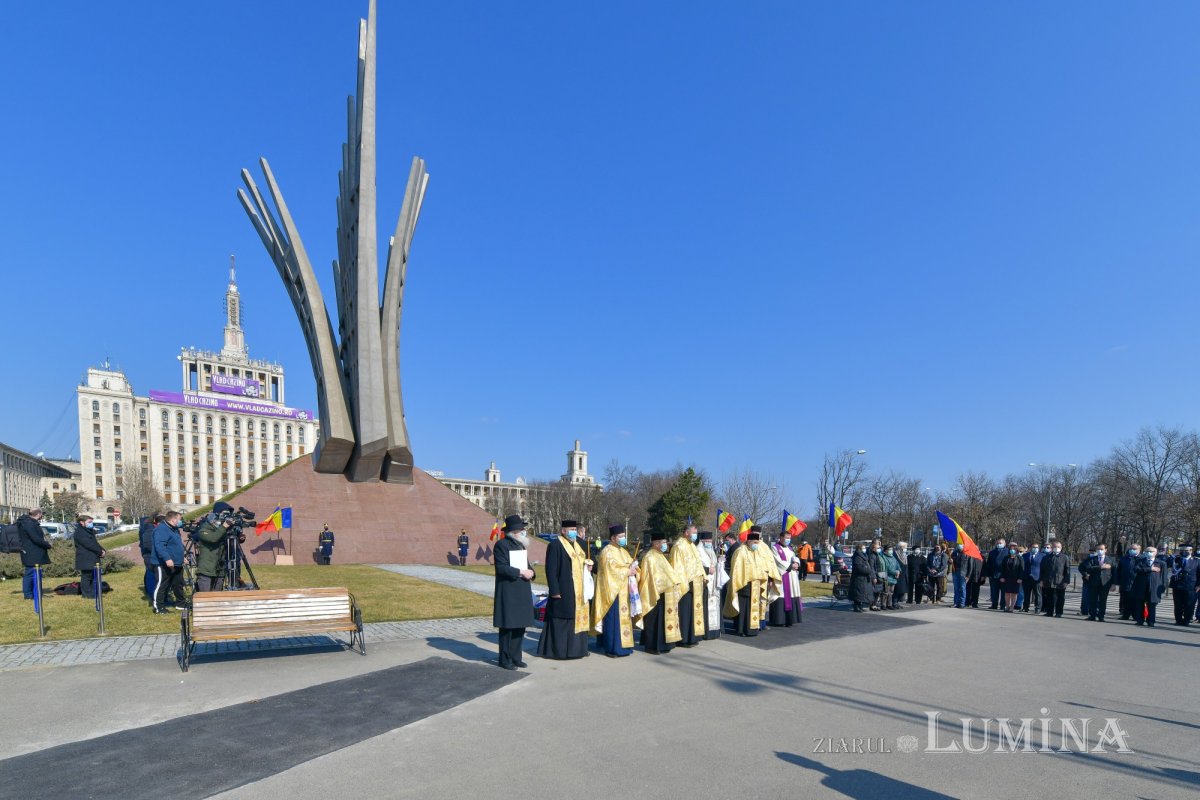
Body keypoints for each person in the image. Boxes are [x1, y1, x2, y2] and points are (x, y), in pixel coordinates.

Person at [538, 519, 592, 660]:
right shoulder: (555, 545)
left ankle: (577, 650)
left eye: (575, 529)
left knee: (575, 619)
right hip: (563, 589)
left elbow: (589, 562)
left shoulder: (579, 545)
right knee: (561, 619)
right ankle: (559, 652)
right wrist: (554, 590)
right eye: (571, 529)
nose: (573, 532)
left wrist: (589, 565)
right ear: (563, 531)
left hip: (579, 591)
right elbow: (551, 570)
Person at [492, 514, 535, 669]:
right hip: (509, 592)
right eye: (522, 529)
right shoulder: (501, 545)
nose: (524, 532)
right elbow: (501, 568)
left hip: (522, 590)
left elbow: (527, 565)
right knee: (508, 627)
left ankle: (516, 656)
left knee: (520, 626)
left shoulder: (520, 545)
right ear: (514, 531)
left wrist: (532, 572)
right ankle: (505, 659)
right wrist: (520, 572)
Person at [591, 524, 637, 657]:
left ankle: (624, 647)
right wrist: (627, 570)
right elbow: (610, 571)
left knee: (623, 619)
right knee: (613, 620)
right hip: (612, 592)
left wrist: (634, 568)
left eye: (624, 536)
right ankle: (612, 648)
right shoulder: (607, 551)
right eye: (621, 536)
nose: (623, 538)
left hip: (624, 591)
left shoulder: (623, 551)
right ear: (613, 537)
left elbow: (629, 564)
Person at [638, 531, 684, 653]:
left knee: (663, 622)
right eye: (664, 543)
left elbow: (669, 573)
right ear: (656, 543)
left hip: (665, 594)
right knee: (654, 622)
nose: (666, 545)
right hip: (654, 594)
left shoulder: (660, 556)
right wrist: (667, 584)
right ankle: (653, 646)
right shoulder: (649, 557)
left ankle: (664, 645)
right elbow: (651, 578)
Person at [669, 524, 707, 647]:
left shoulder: (692, 546)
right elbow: (677, 566)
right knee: (684, 612)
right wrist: (682, 582)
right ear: (686, 532)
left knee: (693, 612)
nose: (695, 535)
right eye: (693, 532)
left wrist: (703, 576)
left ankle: (692, 637)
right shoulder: (678, 546)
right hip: (685, 584)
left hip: (696, 584)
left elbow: (698, 563)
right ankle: (683, 639)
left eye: (696, 533)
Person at [724, 529, 768, 632]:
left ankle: (752, 629)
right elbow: (736, 569)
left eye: (757, 543)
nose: (756, 545)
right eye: (755, 543)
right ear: (749, 541)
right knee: (743, 608)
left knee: (753, 607)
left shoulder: (756, 552)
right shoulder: (740, 551)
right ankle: (742, 629)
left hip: (755, 585)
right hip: (743, 585)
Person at [193, 502, 236, 592]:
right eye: (224, 514)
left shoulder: (223, 529)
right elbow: (213, 538)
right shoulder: (204, 529)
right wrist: (224, 527)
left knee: (218, 598)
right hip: (206, 570)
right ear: (216, 514)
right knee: (205, 598)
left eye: (228, 514)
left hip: (220, 569)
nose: (226, 516)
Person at [152, 511, 187, 613]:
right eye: (180, 519)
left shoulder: (175, 529)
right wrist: (167, 558)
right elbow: (160, 546)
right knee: (162, 584)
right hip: (163, 563)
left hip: (177, 562)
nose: (181, 521)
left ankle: (181, 603)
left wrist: (182, 557)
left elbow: (177, 545)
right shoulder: (161, 529)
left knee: (178, 583)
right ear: (173, 519)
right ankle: (159, 607)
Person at [16, 507, 51, 601]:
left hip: (33, 551)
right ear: (39, 514)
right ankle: (28, 595)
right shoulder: (29, 523)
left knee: (35, 573)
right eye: (41, 514)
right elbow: (35, 538)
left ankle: (37, 593)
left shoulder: (29, 522)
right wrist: (47, 545)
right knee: (30, 573)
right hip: (31, 552)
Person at [769, 532, 802, 626]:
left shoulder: (790, 548)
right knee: (781, 595)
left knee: (792, 594)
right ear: (781, 537)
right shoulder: (775, 548)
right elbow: (777, 561)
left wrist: (796, 563)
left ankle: (790, 619)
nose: (788, 539)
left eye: (789, 537)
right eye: (786, 537)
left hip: (791, 576)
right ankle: (779, 620)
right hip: (782, 575)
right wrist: (791, 565)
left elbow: (794, 557)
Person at [752, 526, 782, 628]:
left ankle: (761, 623)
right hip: (751, 579)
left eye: (757, 533)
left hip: (763, 579)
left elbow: (771, 564)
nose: (756, 535)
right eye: (754, 533)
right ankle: (751, 623)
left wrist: (770, 579)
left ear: (760, 534)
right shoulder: (746, 546)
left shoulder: (765, 547)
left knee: (762, 600)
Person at [1130, 547, 1167, 627]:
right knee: (1140, 604)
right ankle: (1140, 620)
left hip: (1154, 587)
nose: (1149, 553)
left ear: (1156, 552)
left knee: (1152, 605)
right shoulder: (1140, 561)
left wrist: (1163, 588)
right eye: (1147, 551)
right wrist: (1150, 569)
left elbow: (1164, 577)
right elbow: (1137, 569)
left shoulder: (1161, 563)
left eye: (1151, 551)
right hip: (1141, 586)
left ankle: (1151, 621)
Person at [698, 531, 724, 639]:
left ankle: (715, 631)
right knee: (705, 607)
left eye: (710, 541)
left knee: (715, 606)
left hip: (714, 585)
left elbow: (714, 564)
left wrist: (720, 563)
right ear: (702, 541)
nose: (709, 542)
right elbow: (698, 565)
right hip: (705, 584)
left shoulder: (712, 550)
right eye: (707, 541)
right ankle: (706, 632)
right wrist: (708, 569)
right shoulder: (698, 550)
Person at [1080, 543, 1116, 622]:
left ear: (1105, 550)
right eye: (1098, 549)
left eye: (1101, 549)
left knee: (1103, 600)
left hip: (1105, 583)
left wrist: (1114, 584)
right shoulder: (1092, 559)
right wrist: (1100, 567)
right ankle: (1092, 615)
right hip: (1093, 582)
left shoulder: (1111, 560)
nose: (1099, 551)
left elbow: (1114, 572)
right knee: (1093, 599)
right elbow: (1088, 568)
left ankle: (1101, 616)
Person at [73, 514, 105, 599]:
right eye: (89, 522)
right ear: (82, 522)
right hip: (85, 558)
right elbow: (89, 544)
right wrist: (99, 551)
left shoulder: (88, 530)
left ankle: (93, 592)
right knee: (86, 576)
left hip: (92, 557)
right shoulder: (80, 532)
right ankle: (87, 594)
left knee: (92, 576)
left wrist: (102, 550)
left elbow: (95, 543)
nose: (91, 523)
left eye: (91, 522)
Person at [1040, 542, 1070, 618]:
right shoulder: (1046, 557)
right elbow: (1042, 570)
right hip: (1048, 581)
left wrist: (1066, 581)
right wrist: (1041, 580)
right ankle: (1049, 612)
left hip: (1060, 582)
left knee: (1060, 598)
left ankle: (1059, 612)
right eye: (1055, 546)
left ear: (1061, 547)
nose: (1057, 548)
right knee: (1049, 597)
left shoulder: (1064, 557)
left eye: (1058, 547)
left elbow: (1067, 570)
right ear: (1052, 547)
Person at [1170, 544, 1197, 626]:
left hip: (1191, 585)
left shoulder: (1196, 561)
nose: (1184, 552)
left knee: (1189, 604)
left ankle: (1187, 620)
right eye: (1182, 550)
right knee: (1177, 604)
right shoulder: (1176, 559)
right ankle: (1178, 620)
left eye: (1186, 551)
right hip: (1177, 585)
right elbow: (1168, 564)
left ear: (1191, 551)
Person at [849, 542, 877, 612]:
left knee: (862, 593)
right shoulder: (857, 557)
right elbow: (859, 568)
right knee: (858, 593)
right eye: (863, 548)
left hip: (864, 578)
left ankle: (859, 605)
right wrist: (868, 570)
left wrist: (868, 569)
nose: (865, 549)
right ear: (860, 549)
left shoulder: (864, 556)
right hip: (858, 578)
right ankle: (856, 606)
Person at [1116, 543, 1141, 620]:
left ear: (1139, 550)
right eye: (1131, 549)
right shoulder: (1124, 559)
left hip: (1137, 583)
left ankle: (1136, 616)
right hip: (1125, 582)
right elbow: (1118, 571)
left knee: (1136, 601)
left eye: (1134, 549)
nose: (1132, 550)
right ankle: (1125, 615)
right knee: (1125, 600)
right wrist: (1117, 582)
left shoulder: (1142, 559)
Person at [138, 515, 159, 599]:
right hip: (149, 554)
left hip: (146, 552)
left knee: (149, 571)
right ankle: (151, 592)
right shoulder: (149, 528)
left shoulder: (144, 527)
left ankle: (150, 590)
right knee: (151, 572)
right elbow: (149, 544)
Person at [999, 544, 1023, 612]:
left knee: (1014, 593)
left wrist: (1020, 578)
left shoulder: (1019, 558)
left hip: (1016, 579)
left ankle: (1012, 607)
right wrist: (1002, 577)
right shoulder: (1006, 558)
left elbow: (1022, 569)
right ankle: (1007, 607)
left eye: (1014, 549)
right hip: (1007, 578)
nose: (1012, 550)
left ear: (1016, 550)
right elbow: (1002, 568)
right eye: (1011, 549)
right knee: (1007, 593)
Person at [1021, 543, 1043, 613]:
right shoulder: (1025, 555)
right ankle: (1025, 607)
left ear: (1038, 548)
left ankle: (1038, 608)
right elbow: (1022, 566)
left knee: (1037, 594)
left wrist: (1042, 579)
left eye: (1036, 547)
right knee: (1026, 594)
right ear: (1030, 548)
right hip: (1027, 577)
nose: (1035, 548)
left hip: (1037, 578)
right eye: (1033, 547)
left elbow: (1044, 568)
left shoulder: (1042, 556)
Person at [986, 538, 1007, 610]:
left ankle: (1002, 605)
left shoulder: (1007, 552)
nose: (999, 544)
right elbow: (988, 564)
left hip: (1003, 576)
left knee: (1004, 592)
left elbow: (1008, 566)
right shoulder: (992, 552)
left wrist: (1004, 576)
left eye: (1000, 543)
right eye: (998, 543)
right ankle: (994, 605)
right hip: (993, 575)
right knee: (994, 592)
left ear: (1004, 544)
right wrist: (988, 575)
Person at [1079, 545, 1097, 617]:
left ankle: (1094, 611)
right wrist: (1085, 574)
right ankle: (1084, 611)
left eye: (1094, 551)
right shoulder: (1086, 559)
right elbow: (1080, 567)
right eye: (1091, 551)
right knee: (1085, 596)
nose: (1092, 552)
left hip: (1096, 581)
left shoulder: (1099, 559)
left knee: (1095, 597)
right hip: (1087, 580)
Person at [951, 543, 970, 609]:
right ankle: (956, 603)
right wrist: (950, 561)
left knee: (962, 588)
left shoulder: (967, 553)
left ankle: (962, 603)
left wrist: (968, 575)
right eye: (959, 544)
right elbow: (950, 561)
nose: (960, 545)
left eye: (961, 544)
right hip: (955, 572)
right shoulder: (954, 553)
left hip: (963, 573)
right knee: (956, 588)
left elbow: (970, 565)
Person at [891, 543, 909, 609]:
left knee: (902, 590)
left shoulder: (904, 555)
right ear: (900, 547)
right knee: (897, 590)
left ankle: (897, 602)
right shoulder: (894, 554)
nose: (905, 549)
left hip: (904, 575)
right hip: (897, 575)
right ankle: (894, 602)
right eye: (904, 547)